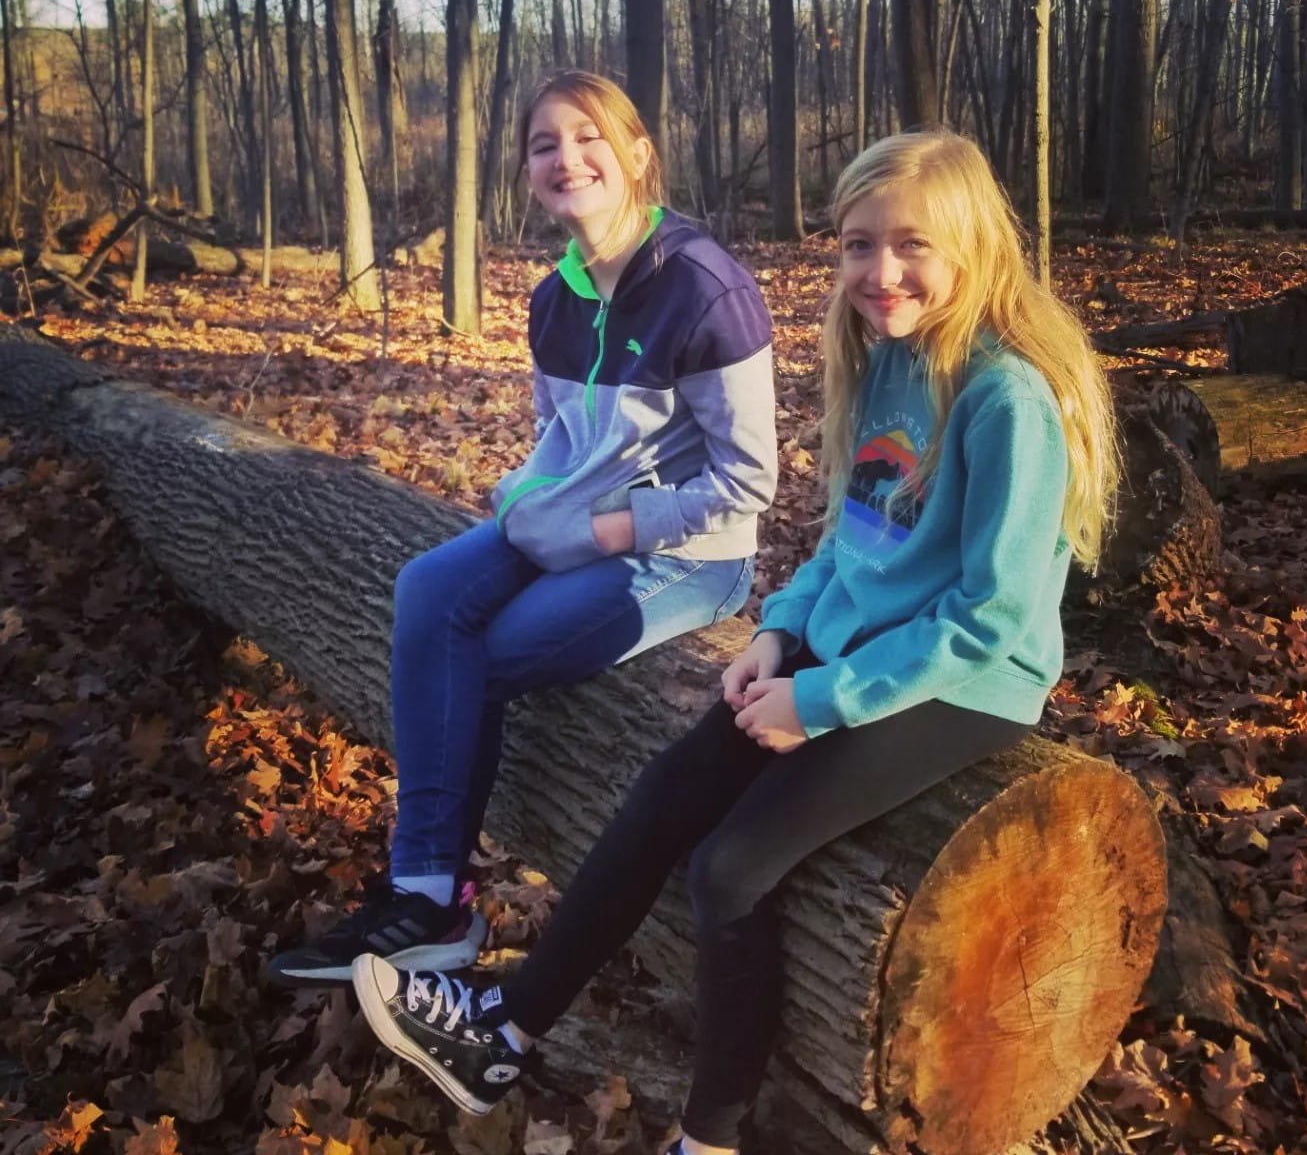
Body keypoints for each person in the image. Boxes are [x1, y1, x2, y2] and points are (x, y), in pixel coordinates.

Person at [347, 130, 1119, 1155]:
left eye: (912, 245)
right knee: (668, 789)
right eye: (858, 245)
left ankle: (710, 1139)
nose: (880, 273)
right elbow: (852, 537)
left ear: (973, 245)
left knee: (732, 867)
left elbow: (992, 616)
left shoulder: (1004, 398)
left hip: (963, 682)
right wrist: (782, 631)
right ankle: (506, 1032)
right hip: (853, 643)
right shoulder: (889, 360)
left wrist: (823, 700)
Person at [267, 70, 777, 987]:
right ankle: (424, 891)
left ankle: (437, 900)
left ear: (637, 154)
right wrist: (534, 504)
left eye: (588, 138)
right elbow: (560, 436)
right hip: (571, 522)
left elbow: (749, 482)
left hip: (690, 555)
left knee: (487, 656)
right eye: (545, 145)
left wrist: (610, 531)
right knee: (428, 586)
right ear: (528, 171)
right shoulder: (554, 299)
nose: (566, 159)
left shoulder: (706, 290)